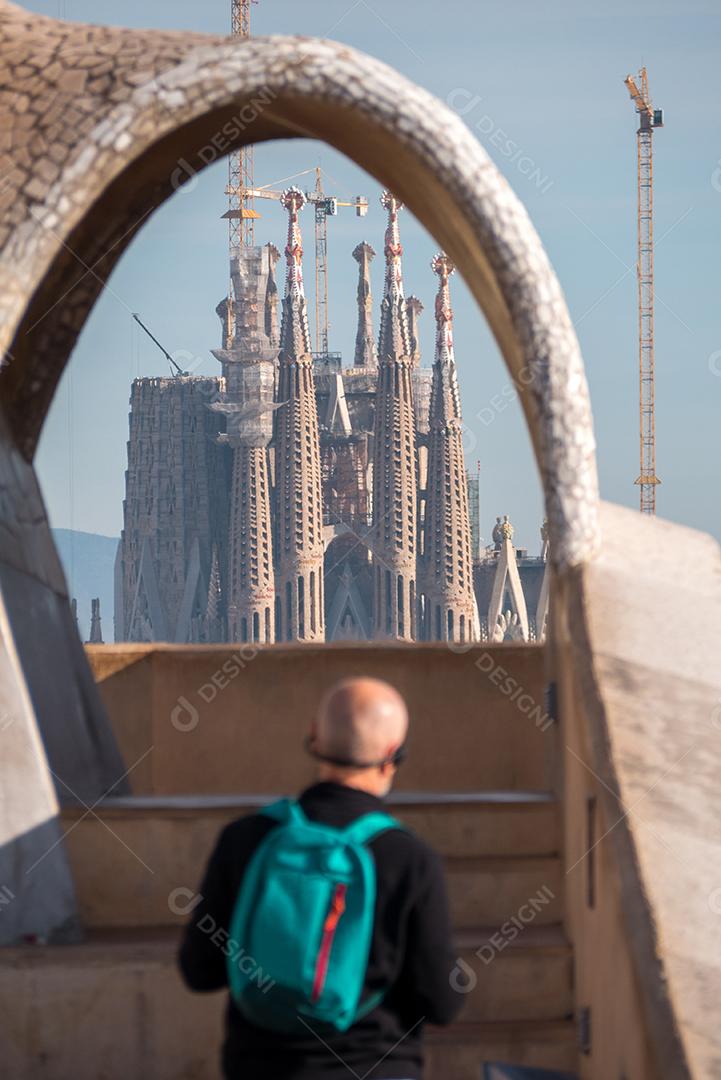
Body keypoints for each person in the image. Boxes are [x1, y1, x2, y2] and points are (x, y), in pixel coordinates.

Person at [178, 676, 462, 1079]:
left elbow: (198, 971)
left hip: (261, 1066)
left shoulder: (245, 840)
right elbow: (442, 1003)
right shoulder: (410, 859)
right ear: (392, 754)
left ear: (314, 737)